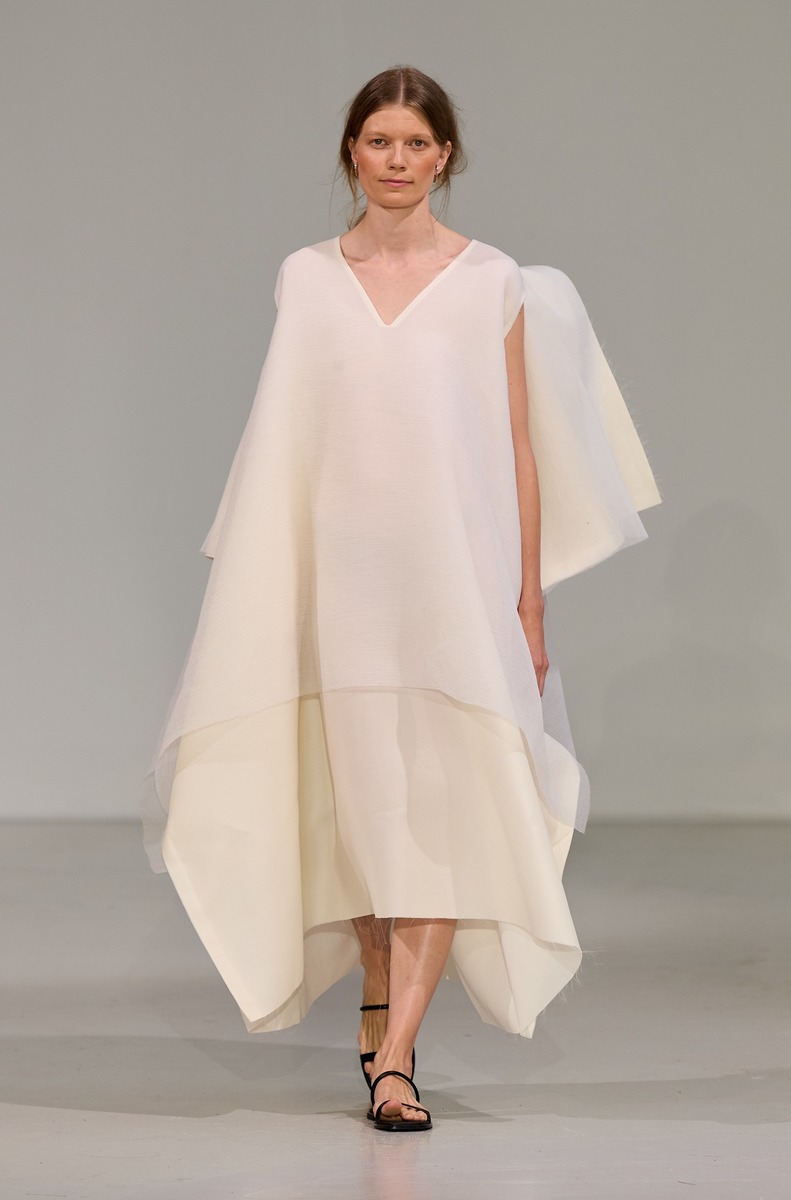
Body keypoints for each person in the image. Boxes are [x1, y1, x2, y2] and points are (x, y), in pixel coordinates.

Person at [140, 65, 661, 1134]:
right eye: (378, 140)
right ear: (352, 151)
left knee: (442, 808)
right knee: (359, 814)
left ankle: (394, 1060)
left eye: (415, 143)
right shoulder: (304, 277)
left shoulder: (493, 282)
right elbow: (286, 441)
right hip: (336, 588)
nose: (396, 159)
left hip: (451, 587)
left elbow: (515, 447)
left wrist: (527, 605)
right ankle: (381, 1005)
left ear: (444, 157)